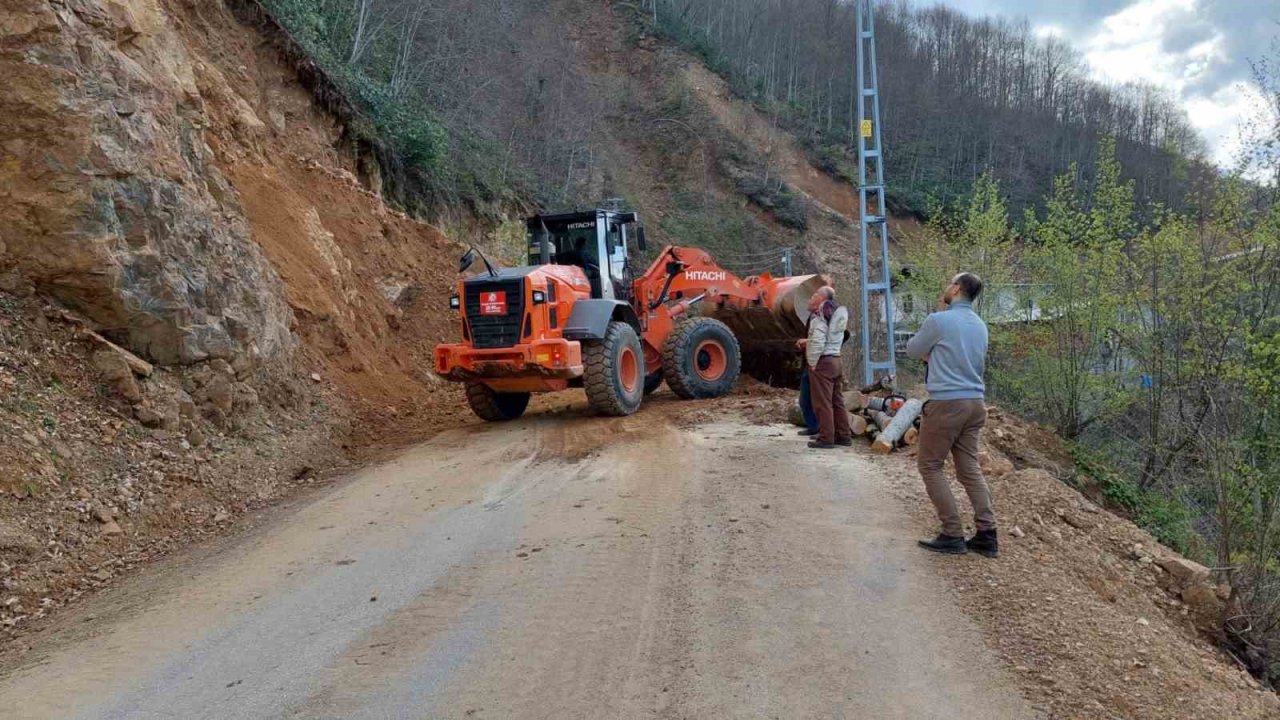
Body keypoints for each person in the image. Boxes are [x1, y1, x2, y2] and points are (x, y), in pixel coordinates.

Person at [905, 272, 997, 558]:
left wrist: (930, 352)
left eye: (949, 283)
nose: (946, 286)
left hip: (946, 403)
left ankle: (952, 533)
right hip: (975, 402)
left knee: (930, 466)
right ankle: (987, 535)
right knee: (969, 469)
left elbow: (911, 350)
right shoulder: (981, 325)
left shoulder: (939, 320)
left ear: (956, 288)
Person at [804, 286, 852, 449]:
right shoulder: (836, 316)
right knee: (837, 401)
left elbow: (817, 341)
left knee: (822, 402)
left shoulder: (819, 317)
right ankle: (844, 436)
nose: (812, 296)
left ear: (822, 299)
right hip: (836, 360)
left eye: (816, 293)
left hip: (823, 362)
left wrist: (812, 362)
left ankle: (826, 438)